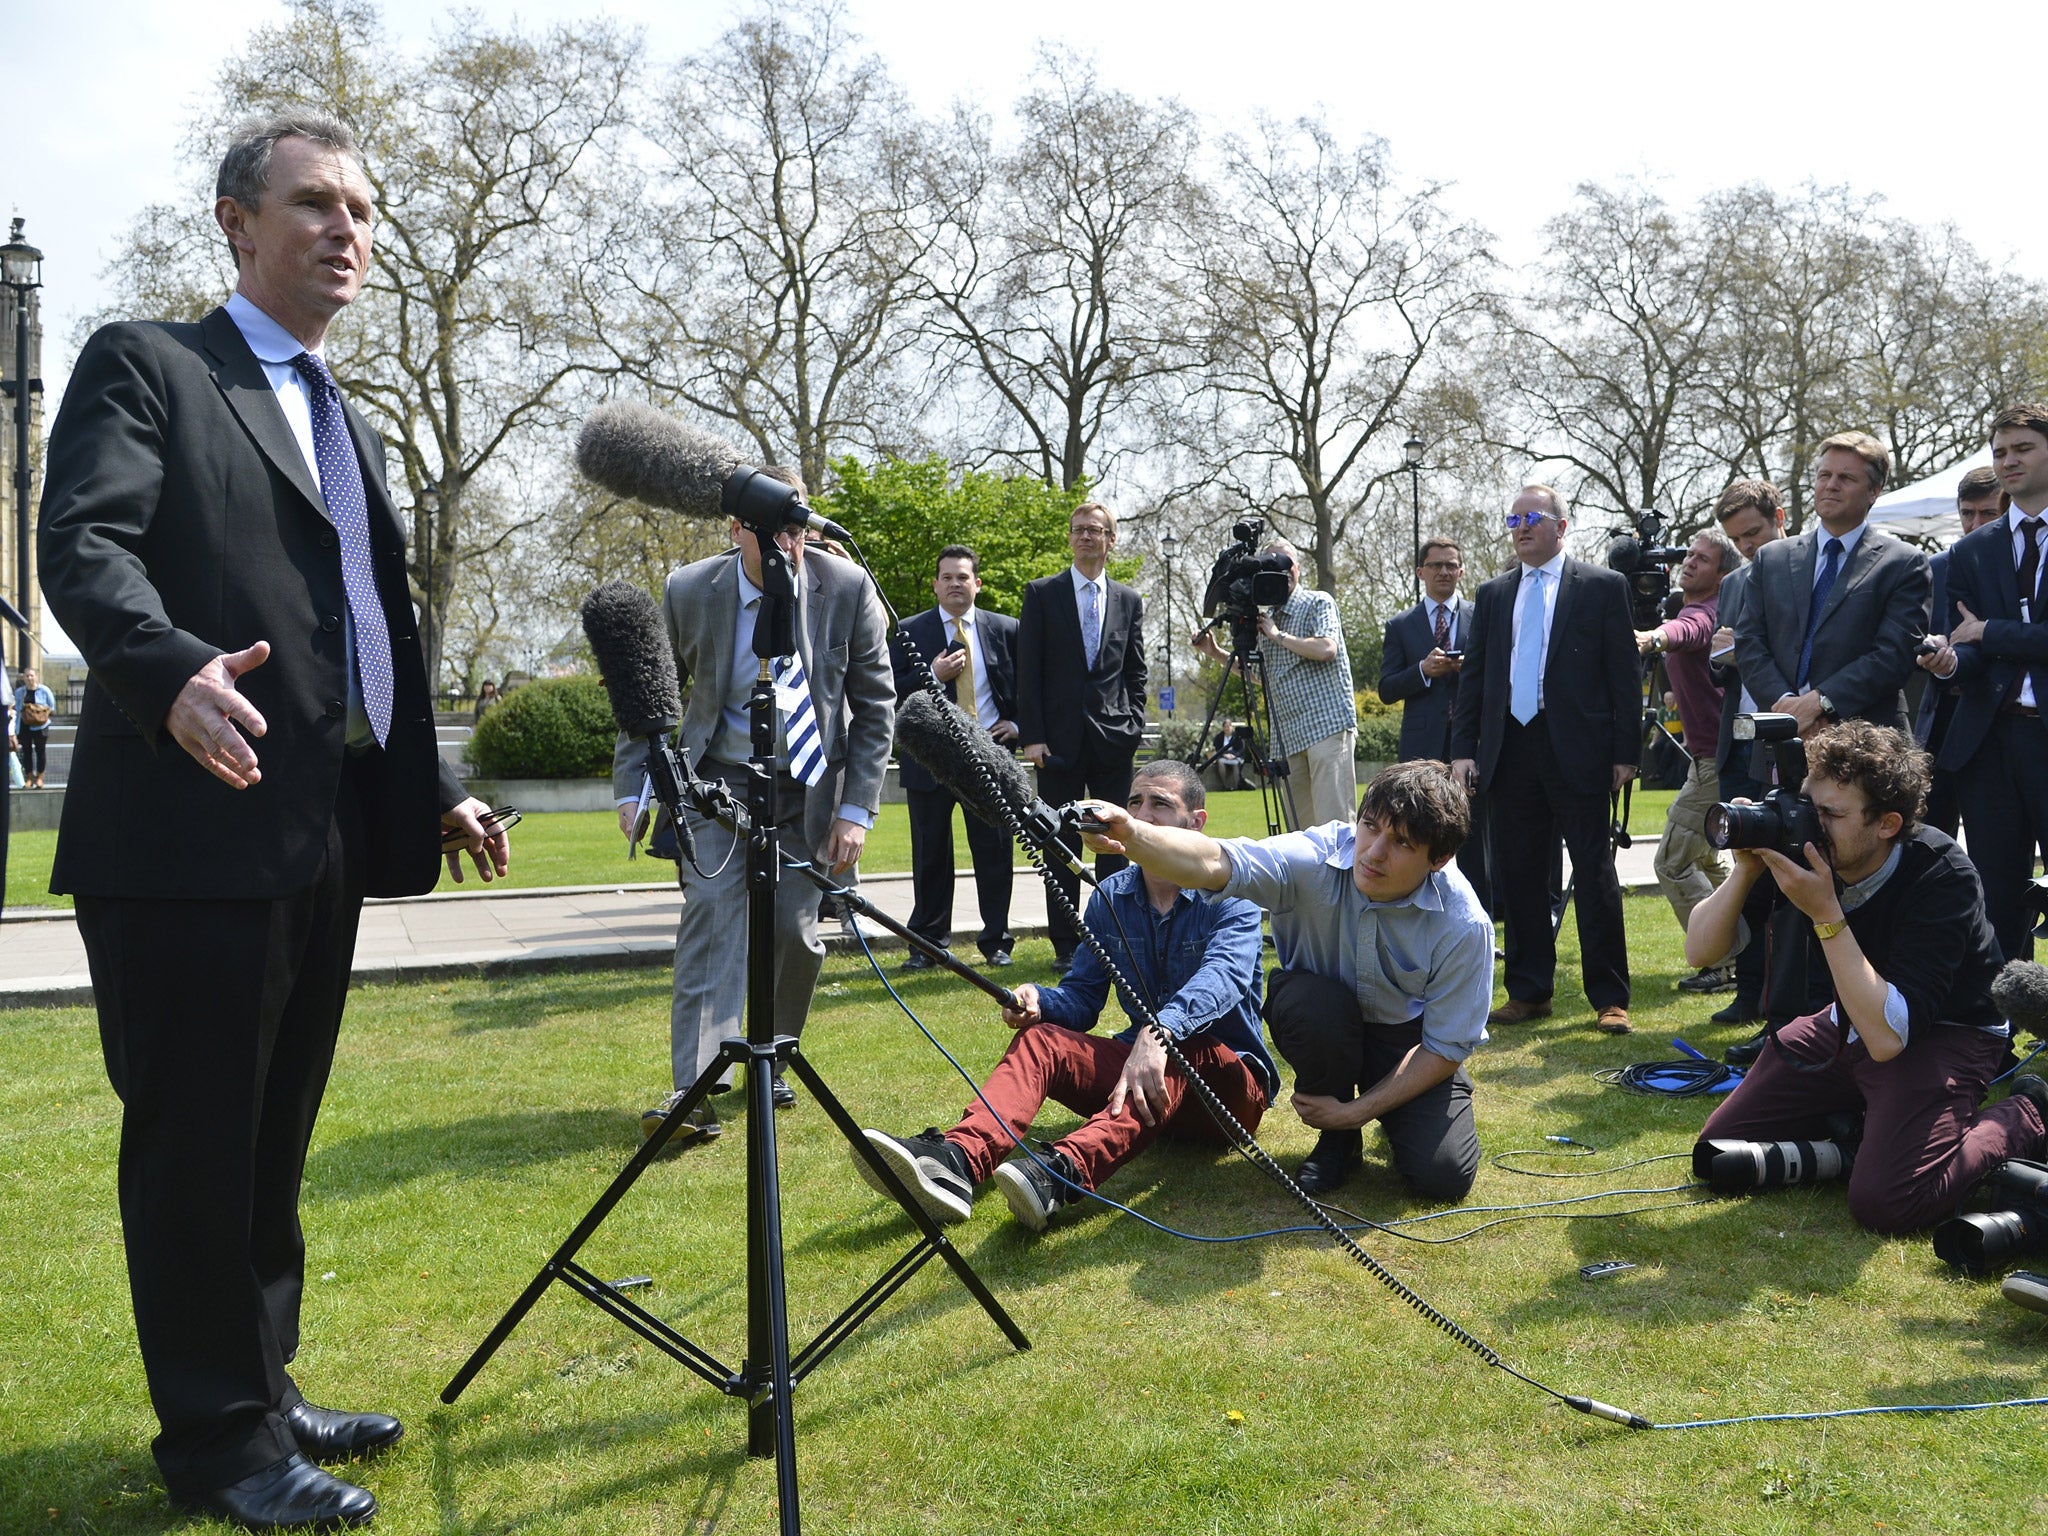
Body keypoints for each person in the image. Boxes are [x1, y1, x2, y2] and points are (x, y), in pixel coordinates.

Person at [37, 109, 509, 1530]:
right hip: (186, 839)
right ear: (237, 223)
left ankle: (265, 1386)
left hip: (316, 839)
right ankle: (223, 1447)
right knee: (196, 1147)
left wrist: (429, 787)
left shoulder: (337, 409)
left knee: (269, 1141)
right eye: (315, 203)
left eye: (362, 209)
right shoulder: (152, 365)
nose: (347, 230)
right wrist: (168, 668)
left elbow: (353, 633)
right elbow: (83, 541)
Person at [853, 760, 1272, 1229]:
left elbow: (1225, 977)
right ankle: (958, 1161)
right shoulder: (1109, 895)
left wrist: (1160, 1032)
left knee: (1179, 1045)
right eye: (1134, 801)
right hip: (1144, 1079)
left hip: (1227, 1093)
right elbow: (1082, 998)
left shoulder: (1232, 892)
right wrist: (1039, 1001)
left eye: (1160, 804)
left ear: (1196, 823)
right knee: (1042, 1040)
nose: (1142, 814)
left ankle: (1060, 1174)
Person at [615, 467, 894, 1143]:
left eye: (798, 530)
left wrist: (856, 811)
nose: (790, 546)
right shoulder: (688, 589)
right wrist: (634, 784)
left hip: (808, 791)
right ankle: (696, 1085)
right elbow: (649, 694)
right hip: (717, 783)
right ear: (736, 528)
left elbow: (877, 707)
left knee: (796, 933)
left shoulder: (846, 587)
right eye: (775, 532)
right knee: (711, 915)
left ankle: (773, 1053)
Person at [1683, 721, 2047, 1233]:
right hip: (1849, 1022)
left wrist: (1826, 913)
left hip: (1945, 1033)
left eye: (1831, 814)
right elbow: (1701, 950)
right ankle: (1856, 1136)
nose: (1813, 824)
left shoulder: (1942, 873)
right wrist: (1746, 866)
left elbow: (1889, 1037)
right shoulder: (1806, 847)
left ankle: (2028, 1113)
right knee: (1723, 1149)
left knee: (1888, 1203)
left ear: (1887, 824)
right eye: (1811, 806)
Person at [1076, 760, 1493, 1200]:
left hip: (1405, 1042)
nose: (1372, 852)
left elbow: (1444, 1047)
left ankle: (1368, 1118)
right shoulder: (1313, 858)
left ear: (1439, 859)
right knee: (1309, 1001)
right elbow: (1213, 860)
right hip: (1322, 1021)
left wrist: (1356, 1111)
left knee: (1443, 1177)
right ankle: (1337, 1143)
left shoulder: (1464, 925)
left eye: (1402, 842)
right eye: (1370, 827)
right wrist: (1131, 834)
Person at [1450, 486, 1641, 1035]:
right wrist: (1465, 749)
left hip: (1580, 751)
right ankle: (1530, 991)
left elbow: (1623, 676)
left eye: (1531, 517)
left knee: (1595, 871)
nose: (1520, 526)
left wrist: (1625, 753)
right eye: (1513, 518)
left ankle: (1610, 997)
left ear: (1561, 525)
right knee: (1520, 876)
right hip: (1510, 749)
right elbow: (1476, 681)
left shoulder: (1603, 587)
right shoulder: (1492, 594)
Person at [1919, 405, 2048, 963]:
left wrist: (1994, 631)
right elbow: (1971, 653)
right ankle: (1998, 1036)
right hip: (1990, 744)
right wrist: (1950, 663)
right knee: (1997, 893)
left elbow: (1986, 633)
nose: (2009, 460)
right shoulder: (1971, 550)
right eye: (2000, 451)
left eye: (2022, 448)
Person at [1016, 500, 1147, 974]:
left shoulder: (1129, 600)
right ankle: (1066, 945)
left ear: (1111, 540)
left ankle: (1116, 934)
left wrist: (1133, 722)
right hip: (1057, 744)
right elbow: (1027, 672)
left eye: (1095, 530)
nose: (1086, 537)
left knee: (1116, 844)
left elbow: (1135, 671)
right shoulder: (1042, 594)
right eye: (1078, 530)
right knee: (1059, 844)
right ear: (1070, 539)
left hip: (1114, 740)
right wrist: (1033, 737)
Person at [1731, 430, 1928, 741]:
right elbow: (1749, 641)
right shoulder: (1772, 559)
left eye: (1845, 478)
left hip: (1867, 742)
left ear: (1874, 490)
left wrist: (1821, 703)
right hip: (1783, 736)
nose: (1831, 485)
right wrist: (1787, 708)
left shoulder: (1903, 562)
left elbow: (1893, 655)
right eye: (1824, 475)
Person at [891, 544, 1020, 969]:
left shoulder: (1005, 629)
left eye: (962, 577)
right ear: (935, 584)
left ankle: (997, 941)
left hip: (987, 758)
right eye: (946, 577)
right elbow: (889, 693)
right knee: (930, 855)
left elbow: (1025, 687)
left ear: (977, 584)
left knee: (995, 853)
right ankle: (928, 943)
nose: (954, 584)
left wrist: (1017, 725)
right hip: (930, 759)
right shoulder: (909, 630)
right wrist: (933, 676)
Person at [1638, 529, 1740, 989]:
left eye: (1704, 559)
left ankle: (1722, 961)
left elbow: (1689, 629)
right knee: (1709, 860)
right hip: (1712, 756)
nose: (1691, 563)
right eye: (1690, 555)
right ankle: (1743, 957)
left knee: (1673, 861)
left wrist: (1655, 638)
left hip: (1717, 760)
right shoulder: (1691, 606)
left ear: (1722, 574)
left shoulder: (1709, 612)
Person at [1195, 537, 1356, 827]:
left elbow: (1326, 649)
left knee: (1335, 826)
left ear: (1299, 568)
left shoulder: (1317, 601)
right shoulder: (1265, 619)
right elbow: (1262, 677)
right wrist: (1217, 653)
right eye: (1271, 565)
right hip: (1287, 734)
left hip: (1327, 727)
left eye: (1286, 563)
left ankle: (1343, 876)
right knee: (1300, 831)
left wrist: (1277, 635)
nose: (1281, 571)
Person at [1380, 538, 1488, 908]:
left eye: (1451, 565)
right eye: (1436, 565)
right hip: (1422, 744)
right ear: (1420, 572)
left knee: (1474, 831)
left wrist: (1469, 668)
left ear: (1461, 571)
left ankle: (1478, 912)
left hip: (1473, 740)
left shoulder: (1483, 615)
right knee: (1419, 825)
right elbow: (1386, 688)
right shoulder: (1401, 626)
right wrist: (1422, 671)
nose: (1444, 572)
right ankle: (1415, 904)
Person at [1914, 466, 2005, 840]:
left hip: (2001, 718)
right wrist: (1932, 649)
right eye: (1968, 513)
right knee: (1932, 836)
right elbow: (1909, 635)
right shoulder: (1935, 568)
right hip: (1941, 717)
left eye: (1988, 513)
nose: (1975, 523)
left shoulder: (2021, 565)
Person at [13, 665, 54, 787]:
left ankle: (40, 778)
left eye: (31, 675)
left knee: (40, 751)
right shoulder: (20, 692)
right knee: (26, 752)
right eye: (27, 676)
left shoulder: (44, 690)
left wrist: (39, 714)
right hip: (25, 725)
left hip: (41, 726)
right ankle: (29, 777)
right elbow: (17, 708)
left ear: (36, 676)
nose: (29, 678)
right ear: (24, 678)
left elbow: (52, 706)